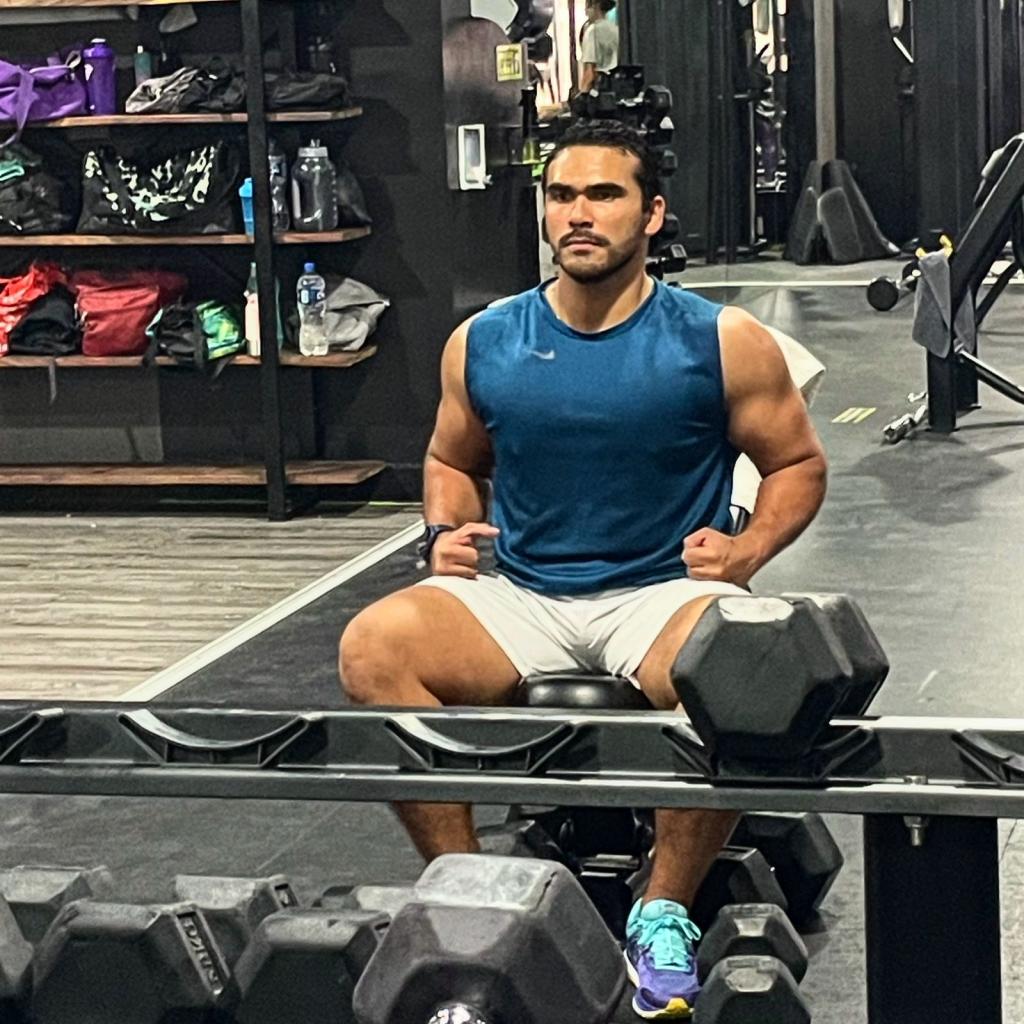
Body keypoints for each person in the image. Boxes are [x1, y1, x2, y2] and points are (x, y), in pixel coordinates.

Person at [340, 119, 827, 1020]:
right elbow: (450, 458)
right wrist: (445, 529)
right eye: (561, 195)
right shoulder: (485, 339)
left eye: (604, 194)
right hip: (522, 593)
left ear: (652, 213)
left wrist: (747, 551)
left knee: (744, 667)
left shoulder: (720, 339)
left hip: (660, 591)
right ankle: (472, 890)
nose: (578, 214)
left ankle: (663, 909)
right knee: (374, 648)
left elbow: (796, 464)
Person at [579, 0, 619, 96]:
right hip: (617, 88)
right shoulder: (616, 29)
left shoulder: (593, 31)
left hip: (600, 91)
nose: (585, 12)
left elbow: (590, 73)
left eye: (587, 6)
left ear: (596, 6)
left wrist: (582, 96)